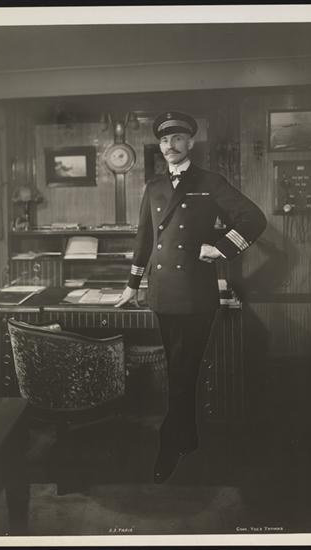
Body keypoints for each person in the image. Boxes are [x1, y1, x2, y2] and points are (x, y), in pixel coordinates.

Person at [115, 111, 267, 483]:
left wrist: (221, 248)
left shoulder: (210, 182)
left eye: (178, 138)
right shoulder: (153, 186)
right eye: (165, 140)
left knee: (183, 370)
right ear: (160, 145)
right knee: (177, 368)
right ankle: (187, 437)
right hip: (163, 292)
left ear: (190, 142)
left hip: (195, 295)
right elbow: (144, 239)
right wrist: (132, 285)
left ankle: (171, 443)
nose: (171, 145)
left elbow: (254, 219)